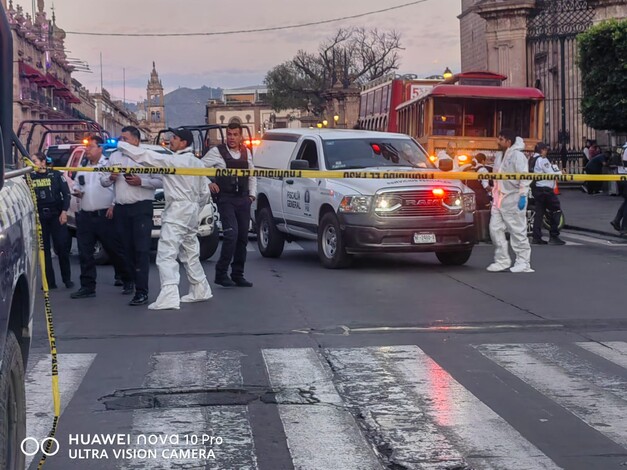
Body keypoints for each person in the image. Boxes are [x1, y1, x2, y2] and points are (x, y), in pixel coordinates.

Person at [117, 127, 212, 310]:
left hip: (177, 209)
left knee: (166, 253)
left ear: (184, 142)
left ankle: (169, 295)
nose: (171, 140)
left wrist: (122, 144)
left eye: (175, 138)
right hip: (191, 210)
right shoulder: (197, 163)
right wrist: (194, 208)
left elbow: (145, 156)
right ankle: (200, 288)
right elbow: (204, 193)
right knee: (190, 251)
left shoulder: (172, 161)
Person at [100, 126, 162, 306]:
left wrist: (141, 181)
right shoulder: (114, 157)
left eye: (125, 139)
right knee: (125, 250)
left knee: (141, 250)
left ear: (136, 140)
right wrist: (110, 178)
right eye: (121, 138)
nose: (122, 142)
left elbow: (160, 181)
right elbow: (102, 180)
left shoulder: (147, 157)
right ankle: (132, 282)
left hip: (141, 207)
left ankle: (142, 291)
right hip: (122, 208)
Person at [70, 136, 133, 299]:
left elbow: (117, 187)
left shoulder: (108, 165)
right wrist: (77, 191)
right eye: (86, 148)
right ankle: (88, 286)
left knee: (114, 250)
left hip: (105, 214)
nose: (87, 151)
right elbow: (77, 185)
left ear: (100, 149)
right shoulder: (84, 167)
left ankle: (127, 279)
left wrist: (113, 204)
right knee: (85, 253)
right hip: (85, 215)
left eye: (91, 147)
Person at [202, 122, 257, 288]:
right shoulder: (217, 152)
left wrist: (252, 196)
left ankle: (238, 274)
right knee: (231, 235)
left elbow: (252, 175)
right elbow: (197, 168)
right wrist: (208, 183)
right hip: (226, 200)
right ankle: (221, 273)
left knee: (242, 239)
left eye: (235, 134)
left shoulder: (246, 152)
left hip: (243, 200)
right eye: (229, 134)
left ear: (241, 136)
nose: (231, 138)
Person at [487, 129, 533, 273]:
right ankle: (502, 260)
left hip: (513, 197)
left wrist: (523, 195)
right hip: (499, 198)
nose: (498, 142)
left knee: (517, 231)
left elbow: (524, 176)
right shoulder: (499, 156)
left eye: (500, 139)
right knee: (494, 229)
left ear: (508, 141)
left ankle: (523, 261)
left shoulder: (518, 156)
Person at [30, 152, 73, 289]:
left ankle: (67, 279)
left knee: (61, 247)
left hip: (56, 215)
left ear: (43, 162)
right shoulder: (30, 177)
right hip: (40, 217)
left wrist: (64, 212)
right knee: (44, 250)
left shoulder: (56, 175)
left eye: (35, 161)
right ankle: (49, 281)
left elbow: (66, 194)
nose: (32, 164)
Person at [529, 143, 565, 245]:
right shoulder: (542, 160)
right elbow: (550, 173)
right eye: (546, 150)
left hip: (537, 189)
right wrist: (560, 173)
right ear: (542, 150)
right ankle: (554, 235)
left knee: (539, 213)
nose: (546, 152)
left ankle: (536, 237)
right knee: (556, 210)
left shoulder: (531, 160)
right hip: (545, 190)